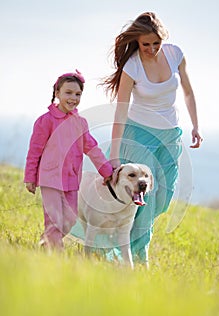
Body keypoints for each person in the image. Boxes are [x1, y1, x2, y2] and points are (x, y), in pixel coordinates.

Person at [102, 12, 203, 266]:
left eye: (155, 44)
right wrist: (115, 153)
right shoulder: (132, 66)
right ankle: (136, 255)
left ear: (163, 39)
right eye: (145, 44)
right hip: (139, 134)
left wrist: (195, 126)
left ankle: (123, 246)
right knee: (143, 196)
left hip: (170, 134)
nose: (151, 49)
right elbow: (121, 111)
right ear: (137, 42)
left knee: (163, 197)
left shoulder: (175, 54)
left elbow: (188, 93)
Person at [24, 70, 113, 250]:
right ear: (57, 93)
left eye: (78, 94)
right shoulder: (45, 121)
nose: (73, 98)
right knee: (54, 219)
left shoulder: (80, 123)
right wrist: (30, 177)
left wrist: (107, 171)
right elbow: (35, 151)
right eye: (68, 93)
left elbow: (92, 148)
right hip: (50, 178)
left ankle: (47, 241)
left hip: (71, 180)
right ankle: (55, 253)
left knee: (70, 220)